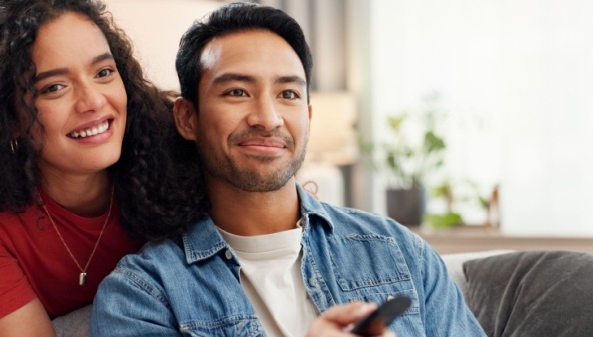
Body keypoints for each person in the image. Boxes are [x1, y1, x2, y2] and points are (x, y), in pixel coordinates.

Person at [90, 2, 486, 336]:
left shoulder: (401, 253)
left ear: (308, 116)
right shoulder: (142, 296)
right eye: (237, 92)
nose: (268, 117)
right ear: (187, 118)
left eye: (288, 94)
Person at [0, 0, 199, 336]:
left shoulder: (183, 150)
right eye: (54, 88)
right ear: (9, 118)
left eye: (103, 73)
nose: (93, 101)